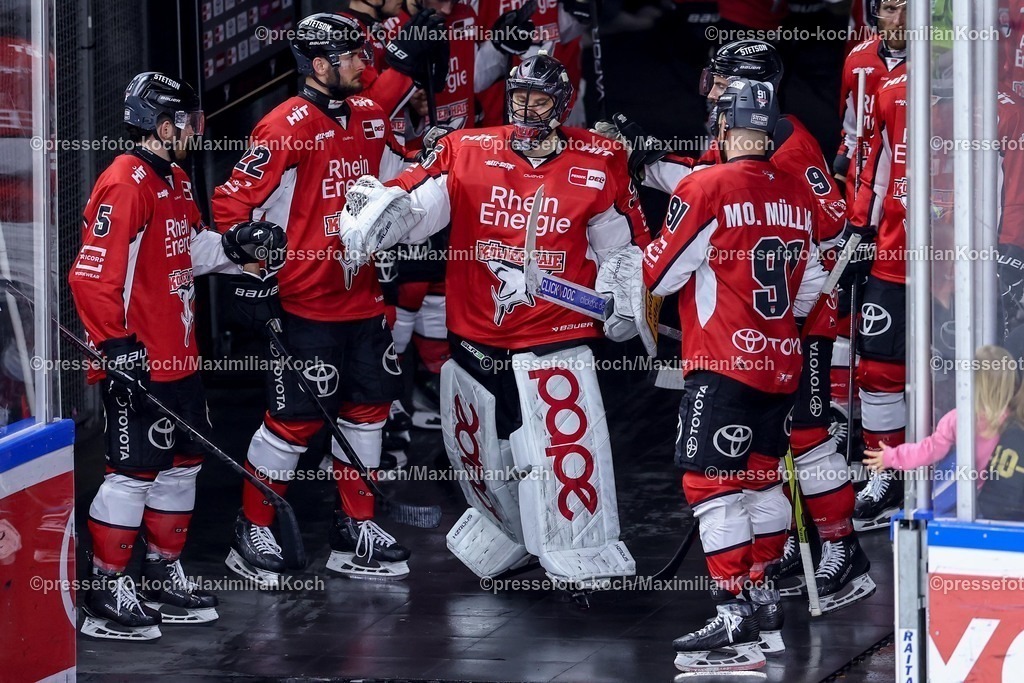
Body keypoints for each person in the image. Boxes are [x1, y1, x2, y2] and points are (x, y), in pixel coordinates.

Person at [336, 52, 649, 588]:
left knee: (557, 444)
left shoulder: (600, 159)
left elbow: (621, 244)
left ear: (562, 105)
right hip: (475, 330)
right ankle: (507, 532)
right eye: (519, 97)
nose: (527, 109)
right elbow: (416, 206)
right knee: (479, 452)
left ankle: (583, 545)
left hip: (556, 328)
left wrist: (625, 293)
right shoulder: (466, 149)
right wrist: (379, 216)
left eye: (540, 99)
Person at [599, 39, 871, 612]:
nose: (714, 92)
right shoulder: (750, 133)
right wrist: (647, 159)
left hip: (798, 318)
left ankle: (844, 553)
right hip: (768, 318)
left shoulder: (789, 143)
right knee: (763, 461)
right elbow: (714, 189)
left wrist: (797, 311)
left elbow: (831, 227)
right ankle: (775, 563)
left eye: (723, 82)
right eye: (715, 81)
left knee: (808, 438)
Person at [68, 72, 278, 640]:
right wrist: (116, 348)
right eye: (186, 119)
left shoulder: (177, 179)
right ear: (163, 125)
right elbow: (89, 278)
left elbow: (186, 250)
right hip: (139, 359)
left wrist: (235, 248)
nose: (194, 128)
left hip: (180, 357)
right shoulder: (126, 182)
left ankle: (163, 573)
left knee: (182, 464)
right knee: (133, 472)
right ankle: (107, 586)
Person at [212, 13, 413, 585]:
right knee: (292, 424)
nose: (363, 64)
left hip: (364, 298)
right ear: (320, 65)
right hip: (303, 304)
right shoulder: (284, 126)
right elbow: (231, 208)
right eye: (352, 56)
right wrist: (253, 270)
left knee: (369, 413)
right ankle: (250, 531)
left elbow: (403, 179)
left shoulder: (373, 116)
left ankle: (356, 529)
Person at [636, 78, 826, 674]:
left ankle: (733, 614)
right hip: (781, 363)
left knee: (709, 485)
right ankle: (763, 597)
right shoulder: (797, 191)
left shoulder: (706, 184)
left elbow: (660, 274)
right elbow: (815, 282)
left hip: (722, 362)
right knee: (761, 482)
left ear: (721, 125)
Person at [844, 67, 908, 532]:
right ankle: (886, 474)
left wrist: (1008, 249)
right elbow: (874, 166)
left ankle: (966, 474)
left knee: (965, 367)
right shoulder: (891, 90)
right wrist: (858, 231)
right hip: (896, 250)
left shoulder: (991, 94)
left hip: (965, 257)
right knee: (878, 365)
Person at [864, 345, 1024, 521]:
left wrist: (892, 457)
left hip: (963, 499)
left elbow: (928, 450)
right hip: (998, 500)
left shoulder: (960, 419)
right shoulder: (1013, 421)